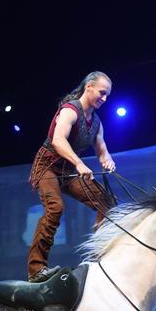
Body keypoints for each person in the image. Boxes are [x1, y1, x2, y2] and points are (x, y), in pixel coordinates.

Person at [26, 71, 116, 282]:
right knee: (55, 208)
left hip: (68, 171)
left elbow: (102, 148)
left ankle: (97, 256)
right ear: (89, 87)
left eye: (107, 96)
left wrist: (107, 159)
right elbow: (58, 140)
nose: (104, 99)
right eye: (102, 93)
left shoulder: (96, 122)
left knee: (107, 202)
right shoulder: (70, 110)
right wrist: (79, 163)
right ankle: (36, 269)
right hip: (48, 166)